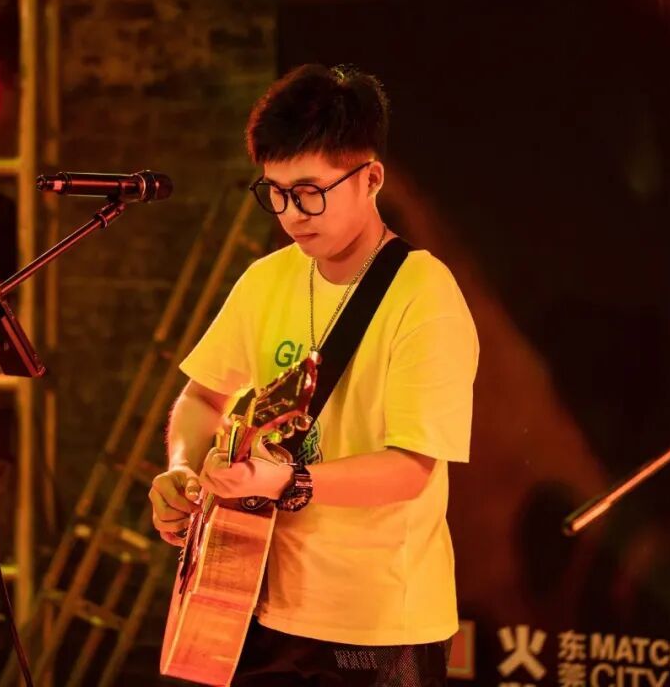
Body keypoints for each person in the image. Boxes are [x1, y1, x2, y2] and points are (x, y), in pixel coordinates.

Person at [148, 63, 479, 687]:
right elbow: (201, 396)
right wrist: (183, 470)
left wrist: (289, 481)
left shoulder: (424, 294)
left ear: (371, 178)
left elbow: (411, 468)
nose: (291, 213)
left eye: (309, 191)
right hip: (252, 604)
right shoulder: (266, 279)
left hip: (379, 626)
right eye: (274, 193)